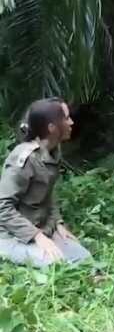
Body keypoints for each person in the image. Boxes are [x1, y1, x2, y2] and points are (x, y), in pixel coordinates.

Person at [0, 98, 91, 267]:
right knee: (57, 264)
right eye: (66, 118)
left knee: (83, 258)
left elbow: (48, 194)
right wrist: (37, 236)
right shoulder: (25, 159)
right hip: (10, 236)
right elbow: (2, 207)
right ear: (52, 128)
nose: (71, 122)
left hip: (41, 227)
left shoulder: (52, 152)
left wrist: (57, 223)